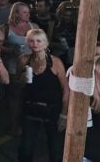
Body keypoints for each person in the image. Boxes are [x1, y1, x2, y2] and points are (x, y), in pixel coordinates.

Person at [16, 29, 68, 162]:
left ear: (45, 43)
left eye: (39, 41)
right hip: (31, 109)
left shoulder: (55, 62)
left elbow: (66, 89)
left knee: (55, 150)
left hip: (52, 110)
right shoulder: (23, 60)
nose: (35, 44)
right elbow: (18, 87)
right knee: (26, 148)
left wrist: (63, 114)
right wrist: (21, 80)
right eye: (31, 41)